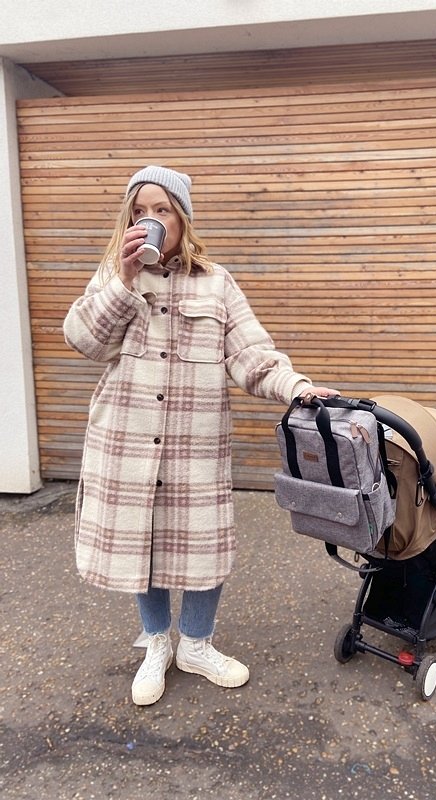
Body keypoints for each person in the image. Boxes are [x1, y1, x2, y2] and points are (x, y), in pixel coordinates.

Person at [63, 165, 339, 706]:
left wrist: (297, 388)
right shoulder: (115, 274)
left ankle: (195, 645)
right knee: (143, 543)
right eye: (139, 211)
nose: (149, 219)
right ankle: (156, 644)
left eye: (160, 209)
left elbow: (251, 354)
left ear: (182, 218)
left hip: (196, 444)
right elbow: (83, 340)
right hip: (126, 438)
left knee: (202, 544)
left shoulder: (217, 283)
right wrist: (123, 281)